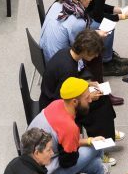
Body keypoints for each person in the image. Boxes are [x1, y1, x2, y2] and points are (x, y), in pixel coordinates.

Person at [39, 30, 123, 165]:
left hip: (57, 99)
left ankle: (107, 133)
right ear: (86, 51)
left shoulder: (67, 53)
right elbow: (63, 99)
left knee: (103, 98)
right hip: (55, 106)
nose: (96, 55)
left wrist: (87, 84)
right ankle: (99, 149)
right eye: (95, 52)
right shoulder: (68, 68)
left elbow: (71, 83)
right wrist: (88, 96)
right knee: (96, 107)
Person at [39, 0, 111, 65]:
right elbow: (78, 48)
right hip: (59, 64)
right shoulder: (78, 22)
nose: (91, 0)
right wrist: (97, 35)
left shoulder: (57, 4)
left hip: (45, 55)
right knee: (96, 50)